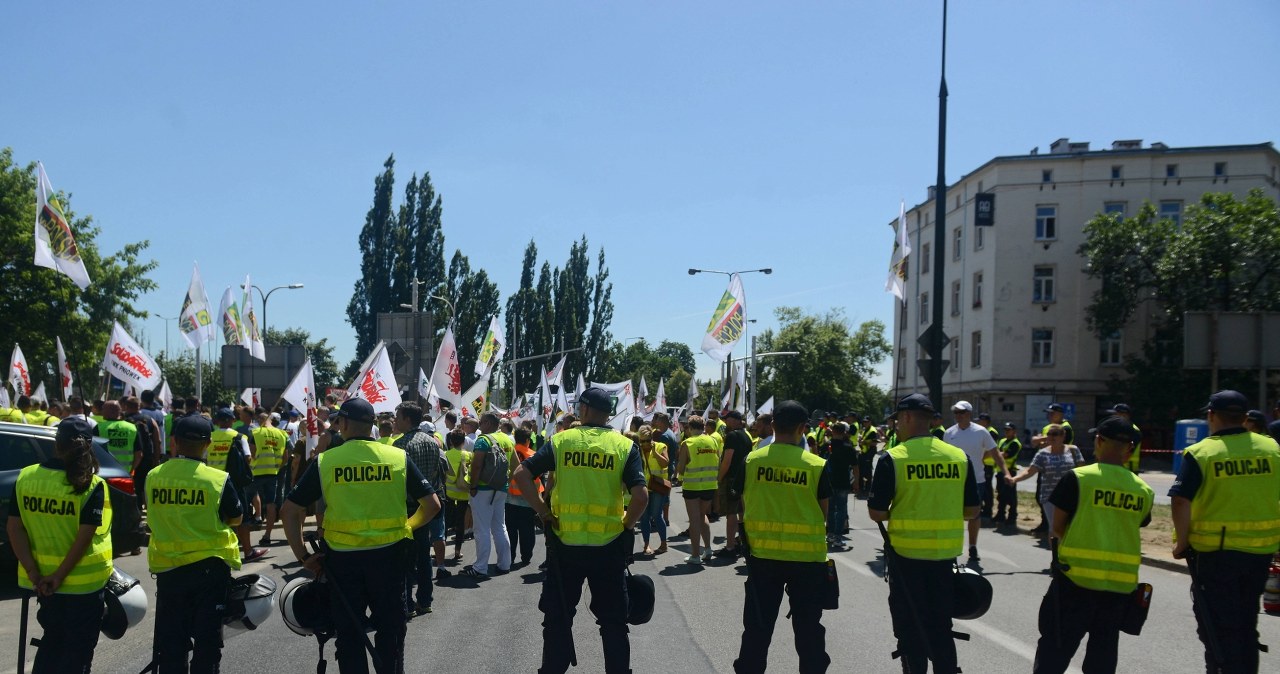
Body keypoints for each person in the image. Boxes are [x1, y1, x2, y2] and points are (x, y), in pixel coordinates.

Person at [282, 398, 440, 674]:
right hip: (389, 559)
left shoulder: (326, 461)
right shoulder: (396, 457)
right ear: (373, 426)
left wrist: (304, 556)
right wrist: (407, 527)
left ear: (342, 424)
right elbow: (432, 506)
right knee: (390, 631)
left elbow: (289, 510)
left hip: (343, 564)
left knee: (349, 633)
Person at [512, 386, 647, 674]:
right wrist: (626, 526)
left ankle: (553, 669)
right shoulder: (624, 446)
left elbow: (522, 474)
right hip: (608, 547)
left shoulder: (561, 441)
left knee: (558, 617)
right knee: (613, 623)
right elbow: (641, 497)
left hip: (564, 545)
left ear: (583, 409)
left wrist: (544, 513)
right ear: (608, 414)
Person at [1170, 390, 1280, 673]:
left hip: (1214, 555)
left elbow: (1181, 499)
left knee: (1218, 629)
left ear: (1211, 416)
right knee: (1246, 625)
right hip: (1260, 552)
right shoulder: (1272, 448)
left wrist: (1182, 543)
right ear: (1245, 419)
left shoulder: (1202, 452)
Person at [869, 393, 980, 674]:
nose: (895, 426)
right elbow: (972, 511)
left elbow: (877, 513)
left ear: (906, 418)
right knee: (941, 625)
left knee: (909, 626)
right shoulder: (959, 457)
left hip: (905, 559)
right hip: (945, 558)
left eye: (896, 421)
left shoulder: (893, 458)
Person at [1032, 416, 1152, 673]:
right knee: (1103, 651)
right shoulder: (1143, 489)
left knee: (1056, 647)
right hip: (1119, 586)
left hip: (1075, 580)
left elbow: (1057, 527)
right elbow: (1136, 523)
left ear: (1098, 440)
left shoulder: (1078, 478)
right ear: (1129, 449)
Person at [733, 400, 832, 673]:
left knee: (757, 629)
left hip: (762, 557)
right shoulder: (818, 465)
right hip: (808, 560)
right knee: (809, 631)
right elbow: (824, 513)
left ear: (772, 425)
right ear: (803, 428)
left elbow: (741, 502)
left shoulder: (752, 460)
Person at [7, 418, 112, 673]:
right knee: (76, 655)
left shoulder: (26, 476)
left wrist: (34, 572)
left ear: (57, 444)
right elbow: (84, 537)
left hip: (42, 583)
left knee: (51, 643)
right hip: (82, 587)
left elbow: (14, 528)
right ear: (90, 446)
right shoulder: (91, 484)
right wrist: (58, 576)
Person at [146, 414, 244, 673]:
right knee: (207, 642)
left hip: (169, 570)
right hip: (209, 571)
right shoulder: (217, 479)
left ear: (175, 441)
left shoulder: (153, 476)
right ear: (209, 443)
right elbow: (236, 517)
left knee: (171, 642)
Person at [394, 402, 449, 616]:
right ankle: (425, 600)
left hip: (407, 507)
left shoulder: (399, 446)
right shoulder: (433, 443)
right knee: (425, 554)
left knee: (406, 557)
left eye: (398, 416)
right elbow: (438, 473)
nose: (396, 421)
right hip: (429, 504)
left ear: (407, 419)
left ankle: (406, 603)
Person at [943, 400, 1007, 561]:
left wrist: (1006, 472)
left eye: (961, 412)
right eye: (956, 412)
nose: (958, 415)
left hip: (976, 480)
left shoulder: (981, 431)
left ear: (969, 414)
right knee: (954, 515)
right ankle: (953, 547)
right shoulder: (949, 433)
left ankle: (972, 546)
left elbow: (995, 453)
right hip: (954, 481)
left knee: (974, 515)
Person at [1007, 424, 1085, 547]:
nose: (1051, 437)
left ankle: (1066, 556)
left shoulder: (1073, 450)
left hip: (1070, 496)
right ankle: (1055, 558)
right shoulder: (1042, 454)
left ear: (1063, 436)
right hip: (1050, 497)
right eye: (1049, 434)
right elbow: (1029, 471)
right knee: (1054, 529)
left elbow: (1082, 470)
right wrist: (1014, 479)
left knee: (1071, 528)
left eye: (1055, 434)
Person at [461, 411, 514, 577]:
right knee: (500, 526)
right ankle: (505, 564)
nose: (479, 425)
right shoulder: (506, 439)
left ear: (489, 424)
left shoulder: (483, 440)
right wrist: (505, 483)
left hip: (483, 489)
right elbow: (516, 465)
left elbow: (476, 466)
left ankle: (480, 567)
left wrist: (474, 486)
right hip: (500, 488)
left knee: (481, 529)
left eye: (482, 422)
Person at [677, 415, 719, 564]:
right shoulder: (713, 440)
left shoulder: (687, 443)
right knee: (702, 515)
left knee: (694, 519)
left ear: (689, 427)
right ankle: (707, 549)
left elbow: (681, 469)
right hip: (710, 486)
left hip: (693, 486)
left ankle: (695, 555)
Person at [717, 410, 752, 557]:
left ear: (736, 420)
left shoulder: (732, 436)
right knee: (742, 513)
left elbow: (727, 460)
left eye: (728, 419)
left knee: (731, 513)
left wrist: (719, 478)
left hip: (732, 479)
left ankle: (730, 547)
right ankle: (743, 543)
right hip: (744, 478)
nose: (725, 422)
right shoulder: (747, 436)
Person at [249, 412, 288, 544]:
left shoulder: (255, 433)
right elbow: (286, 458)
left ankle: (246, 532)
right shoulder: (282, 434)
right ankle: (267, 535)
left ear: (261, 420)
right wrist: (277, 467)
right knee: (271, 504)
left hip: (256, 473)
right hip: (273, 473)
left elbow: (251, 454)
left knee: (249, 500)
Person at [507, 427, 541, 566]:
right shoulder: (533, 454)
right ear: (528, 440)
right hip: (528, 498)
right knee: (527, 530)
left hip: (509, 497)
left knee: (511, 530)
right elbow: (537, 475)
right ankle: (526, 557)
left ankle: (510, 556)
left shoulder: (510, 451)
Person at [637, 424, 670, 555]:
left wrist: (655, 453)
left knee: (657, 515)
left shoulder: (661, 446)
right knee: (644, 517)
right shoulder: (637, 449)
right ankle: (646, 545)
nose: (644, 444)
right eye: (642, 441)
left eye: (647, 440)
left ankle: (663, 544)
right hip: (643, 487)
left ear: (651, 438)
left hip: (657, 486)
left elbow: (665, 463)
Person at [825, 422, 856, 551]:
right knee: (841, 509)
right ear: (844, 432)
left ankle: (830, 534)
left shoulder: (827, 446)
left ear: (833, 431)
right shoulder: (848, 447)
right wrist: (857, 482)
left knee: (831, 508)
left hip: (829, 481)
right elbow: (855, 466)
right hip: (843, 481)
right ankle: (838, 536)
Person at [994, 423, 1023, 524]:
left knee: (1010, 496)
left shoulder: (1015, 443)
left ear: (1014, 431)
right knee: (1001, 495)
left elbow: (1005, 455)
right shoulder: (1002, 441)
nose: (1006, 431)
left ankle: (1012, 516)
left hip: (1010, 472)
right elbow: (998, 453)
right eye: (1005, 429)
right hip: (1000, 471)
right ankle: (1000, 514)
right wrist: (998, 454)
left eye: (1009, 430)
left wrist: (998, 454)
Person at [1108, 403, 1143, 473]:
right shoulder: (1118, 429)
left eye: (1115, 414)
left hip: (1128, 470)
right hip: (1117, 468)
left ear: (1124, 415)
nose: (1112, 416)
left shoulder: (1133, 431)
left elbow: (1126, 451)